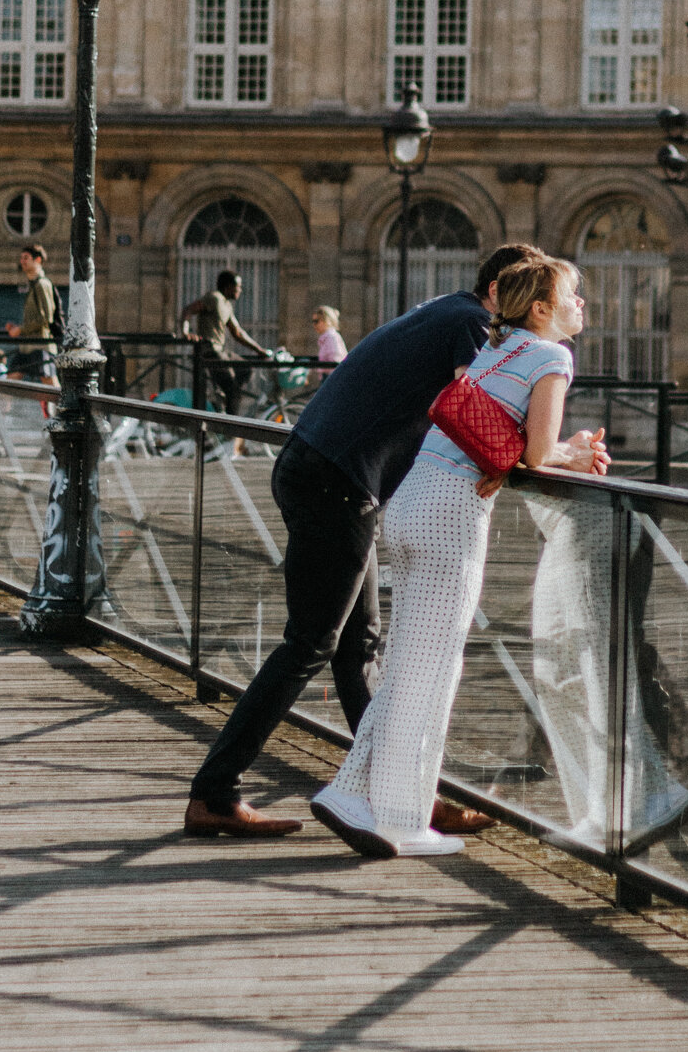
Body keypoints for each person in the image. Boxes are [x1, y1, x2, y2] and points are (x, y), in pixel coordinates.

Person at [184, 241, 542, 838]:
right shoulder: (472, 323)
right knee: (310, 644)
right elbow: (476, 413)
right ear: (501, 293)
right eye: (529, 296)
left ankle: (398, 792)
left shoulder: (446, 310)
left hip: (323, 470)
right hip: (338, 481)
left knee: (357, 647)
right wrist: (553, 451)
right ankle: (215, 792)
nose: (533, 312)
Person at [311, 252, 610, 859]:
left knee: (408, 668)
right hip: (452, 514)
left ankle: (375, 804)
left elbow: (506, 432)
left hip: (412, 499)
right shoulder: (554, 356)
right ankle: (381, 808)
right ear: (544, 308)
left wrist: (559, 450)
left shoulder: (498, 348)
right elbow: (534, 455)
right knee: (433, 673)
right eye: (573, 294)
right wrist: (574, 455)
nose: (583, 304)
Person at [182, 268, 272, 430]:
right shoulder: (214, 298)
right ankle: (229, 429)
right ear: (228, 287)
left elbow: (238, 333)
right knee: (233, 392)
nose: (240, 290)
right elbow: (188, 310)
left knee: (246, 369)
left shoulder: (227, 305)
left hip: (220, 350)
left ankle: (223, 395)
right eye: (238, 287)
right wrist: (185, 332)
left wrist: (259, 350)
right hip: (209, 350)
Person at [5, 244, 60, 384]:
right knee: (9, 383)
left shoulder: (42, 284)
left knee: (51, 387)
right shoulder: (33, 285)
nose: (22, 261)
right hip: (28, 346)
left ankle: (65, 406)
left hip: (40, 346)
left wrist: (20, 329)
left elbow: (46, 318)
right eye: (21, 258)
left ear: (38, 260)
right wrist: (17, 327)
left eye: (26, 258)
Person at [311, 305, 347, 371]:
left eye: (316, 321)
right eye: (313, 321)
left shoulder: (331, 338)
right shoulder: (327, 338)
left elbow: (335, 362)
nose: (314, 325)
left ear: (326, 321)